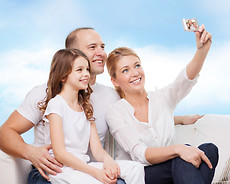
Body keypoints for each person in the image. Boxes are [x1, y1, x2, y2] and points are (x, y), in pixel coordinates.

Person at [0, 27, 202, 184]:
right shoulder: (46, 94)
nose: (101, 53)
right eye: (92, 47)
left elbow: (135, 115)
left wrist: (178, 119)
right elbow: (5, 132)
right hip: (53, 172)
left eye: (102, 46)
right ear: (72, 54)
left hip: (90, 170)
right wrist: (30, 152)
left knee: (163, 165)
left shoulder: (109, 96)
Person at [106, 25, 219, 184]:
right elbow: (140, 154)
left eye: (137, 65)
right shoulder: (115, 112)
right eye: (125, 70)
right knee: (183, 155)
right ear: (115, 81)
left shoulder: (162, 98)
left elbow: (185, 80)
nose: (135, 73)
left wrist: (202, 51)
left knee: (209, 149)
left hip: (174, 169)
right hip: (142, 175)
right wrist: (178, 149)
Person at [41, 48, 144, 184]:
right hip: (62, 169)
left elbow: (97, 149)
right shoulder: (56, 104)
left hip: (83, 165)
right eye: (79, 70)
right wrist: (96, 173)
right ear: (63, 76)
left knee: (136, 168)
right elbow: (60, 153)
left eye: (87, 69)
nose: (86, 74)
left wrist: (108, 161)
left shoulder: (85, 106)